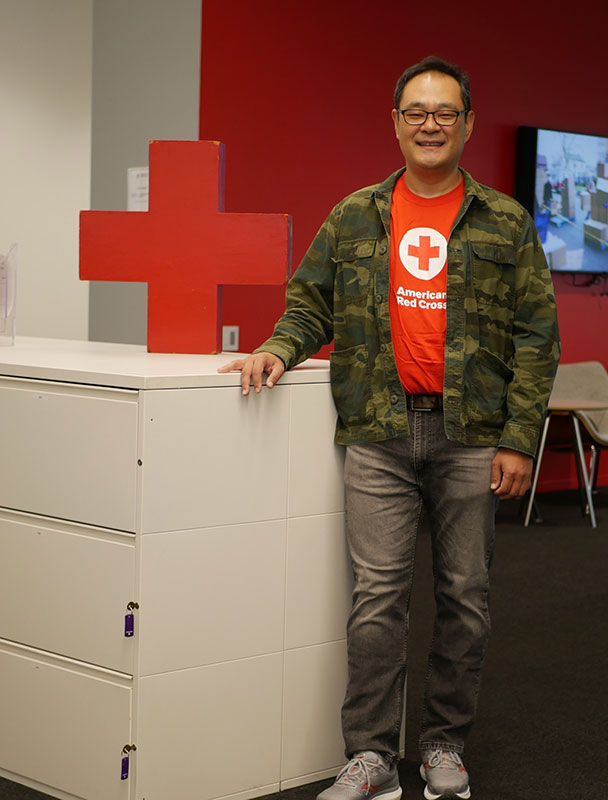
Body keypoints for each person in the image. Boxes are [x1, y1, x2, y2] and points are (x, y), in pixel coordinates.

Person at [219, 55, 560, 800]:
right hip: (378, 430)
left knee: (465, 594)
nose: (430, 124)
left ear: (467, 123)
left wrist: (518, 436)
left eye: (445, 112)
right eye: (416, 111)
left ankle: (442, 745)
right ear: (396, 122)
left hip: (472, 434)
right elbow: (311, 303)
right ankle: (371, 757)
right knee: (377, 600)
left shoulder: (505, 220)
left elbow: (538, 337)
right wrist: (279, 346)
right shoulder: (354, 215)